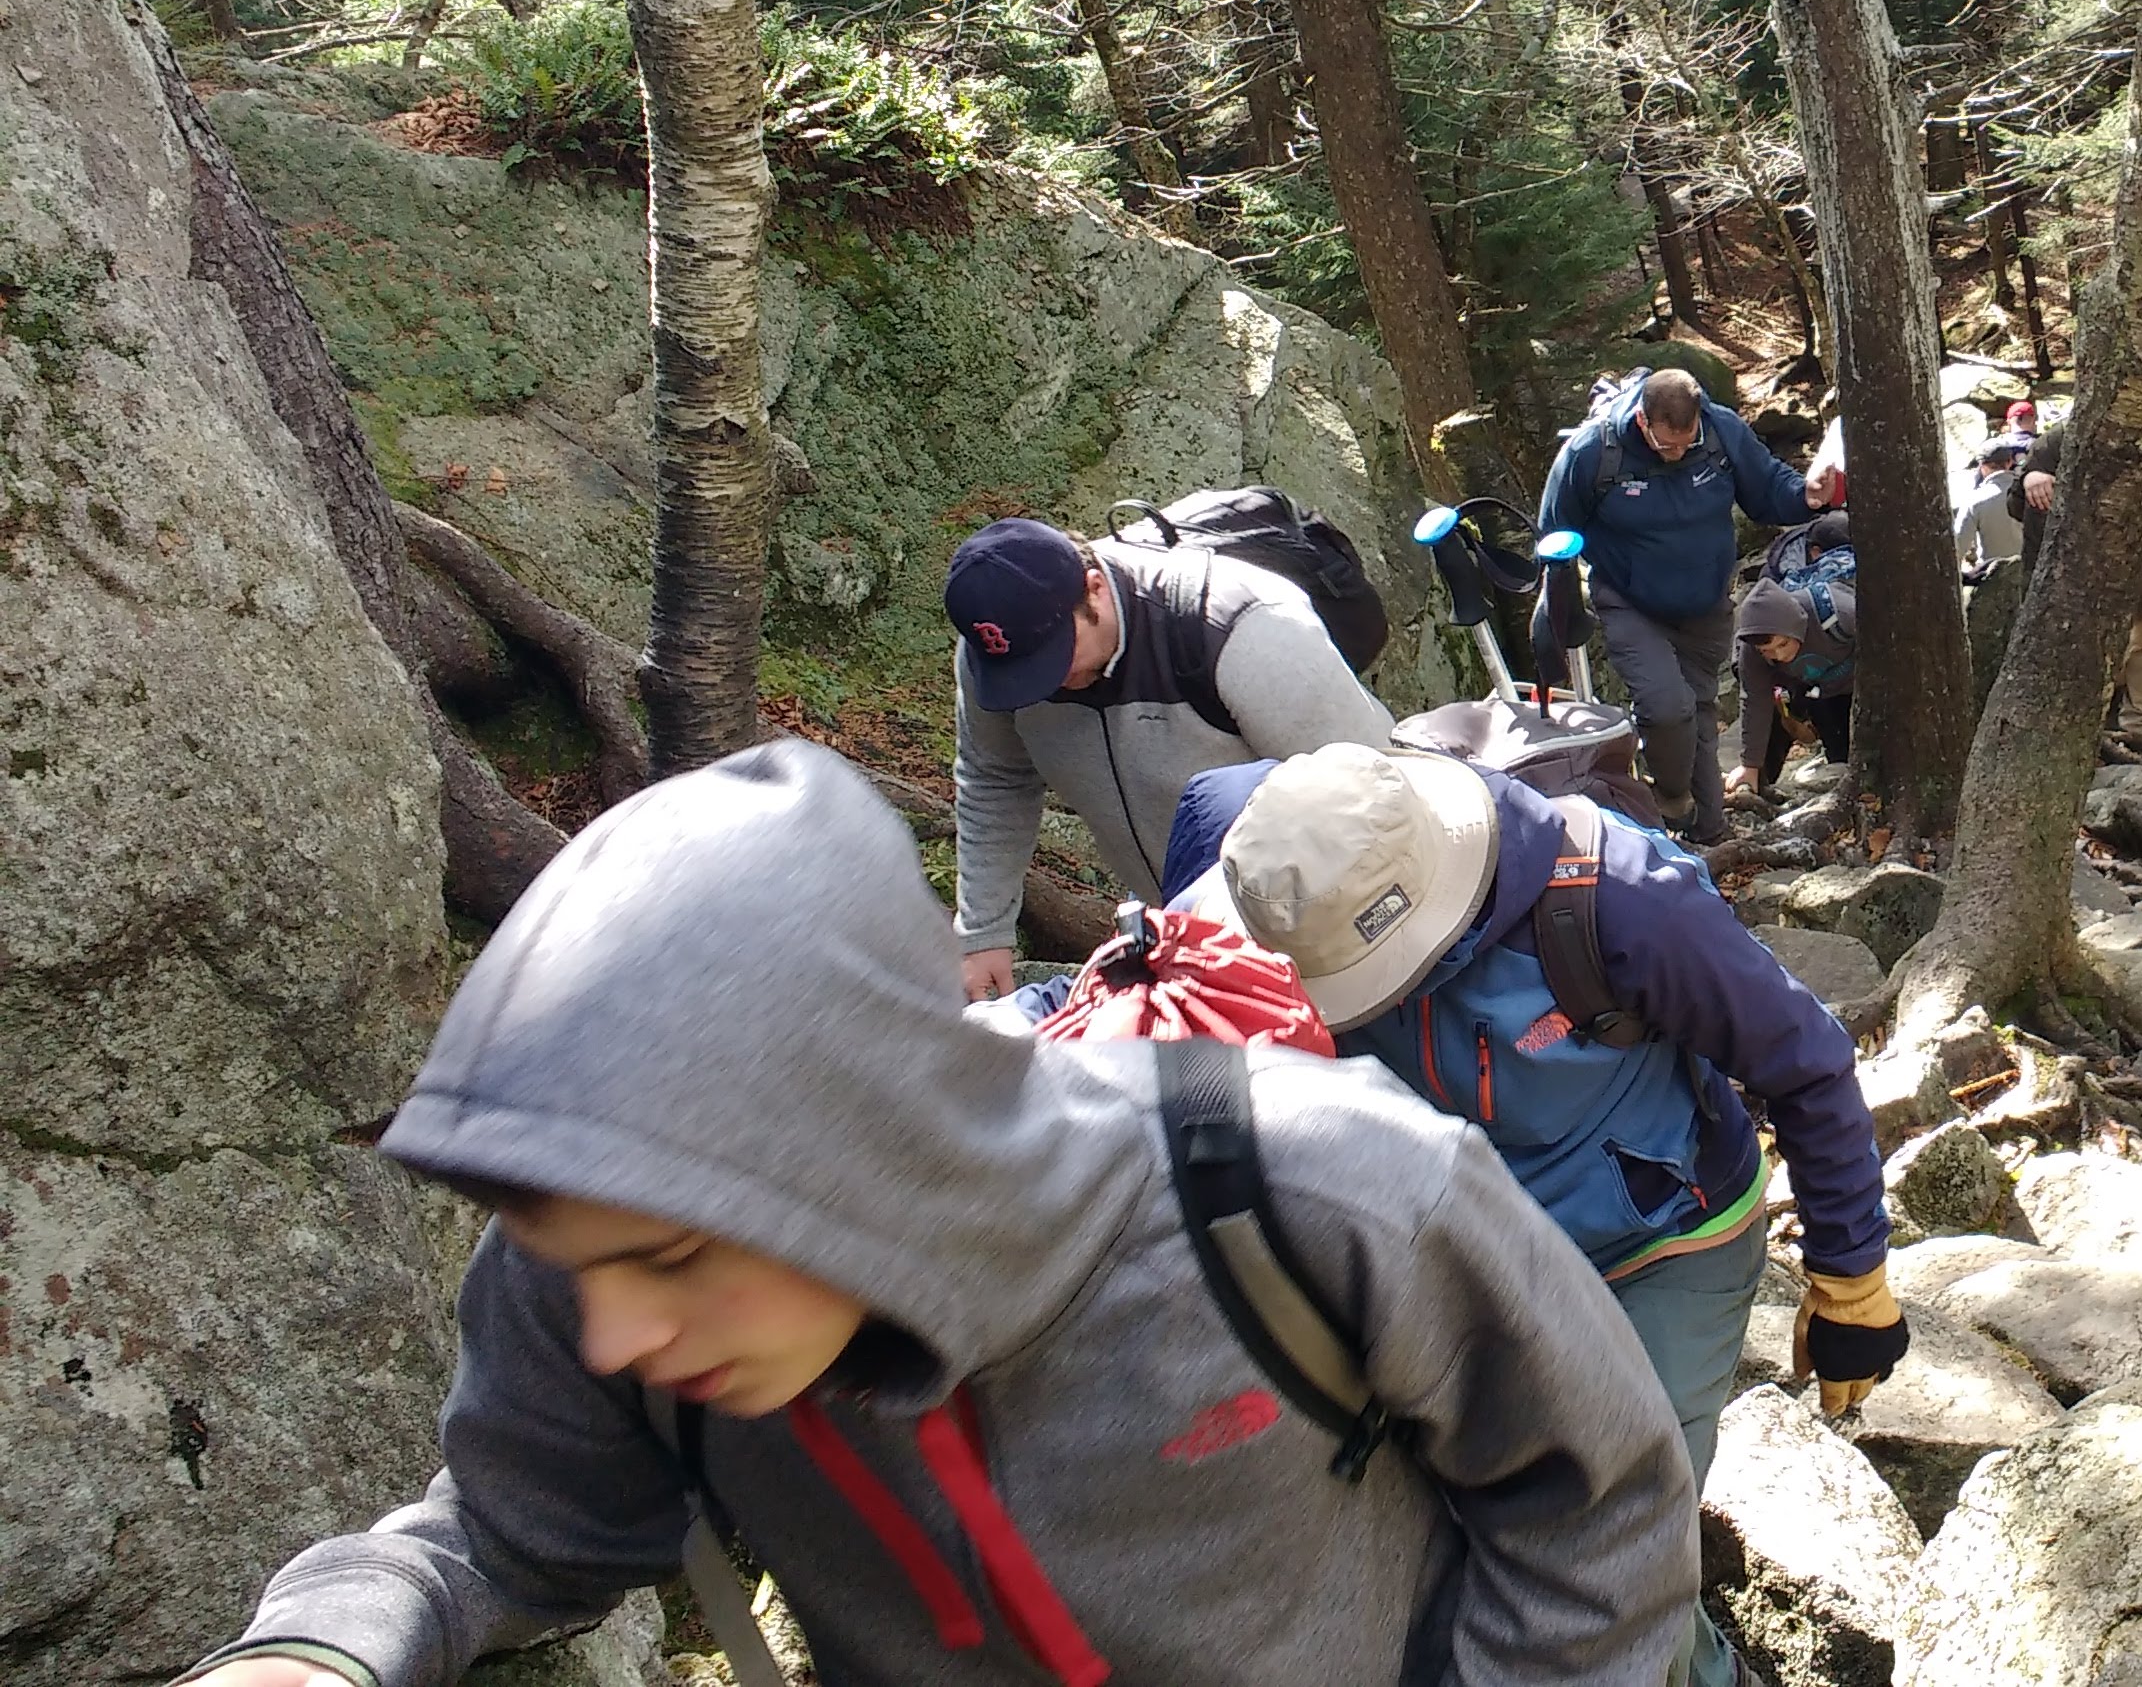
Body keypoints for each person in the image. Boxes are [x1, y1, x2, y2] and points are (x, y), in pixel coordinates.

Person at [180, 741, 1695, 1687]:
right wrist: (320, 1649)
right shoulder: (597, 1279)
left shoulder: (1319, 1190)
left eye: (671, 1258)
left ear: (863, 1140)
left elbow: (1601, 1514)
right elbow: (506, 1535)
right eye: (582, 1273)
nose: (618, 1335)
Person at [1176, 744, 1904, 1687]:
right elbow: (1130, 981)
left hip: (1660, 1242)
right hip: (1449, 1258)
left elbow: (1806, 1059)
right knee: (1452, 1535)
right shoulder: (1266, 860)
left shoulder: (1622, 896)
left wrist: (1851, 1277)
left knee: (1621, 1540)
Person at [944, 514, 1407, 1004]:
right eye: (1024, 671)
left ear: (1095, 590)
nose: (1045, 683)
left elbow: (1382, 786)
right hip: (1180, 923)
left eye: (1054, 655)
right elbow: (995, 779)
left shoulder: (1238, 626)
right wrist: (984, 932)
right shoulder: (1000, 659)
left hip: (1322, 919)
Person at [1540, 369, 1832, 845]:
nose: (1676, 453)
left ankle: (1710, 833)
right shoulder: (1592, 452)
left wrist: (1806, 495)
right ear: (1642, 420)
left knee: (1699, 716)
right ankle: (1671, 797)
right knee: (1666, 708)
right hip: (1630, 601)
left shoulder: (1720, 432)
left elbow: (1767, 489)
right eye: (1665, 445)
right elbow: (1554, 532)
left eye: (1685, 442)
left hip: (1705, 603)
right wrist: (1554, 609)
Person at [2019, 416, 2142, 741]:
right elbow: (2018, 506)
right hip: (2073, 579)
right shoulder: (2056, 441)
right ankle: (2086, 732)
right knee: (2085, 655)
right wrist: (2030, 478)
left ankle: (2141, 730)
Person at [1731, 512, 1858, 801]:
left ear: (1796, 627)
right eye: (1768, 652)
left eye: (1783, 645)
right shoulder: (1752, 650)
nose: (1778, 656)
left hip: (1855, 679)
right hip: (1814, 688)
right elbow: (1754, 701)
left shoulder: (1839, 612)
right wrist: (1749, 765)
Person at [1952, 433, 2031, 571]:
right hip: (2030, 573)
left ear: (1982, 465)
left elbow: (1958, 547)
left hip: (1992, 576)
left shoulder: (1973, 500)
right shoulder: (2029, 492)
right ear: (2009, 462)